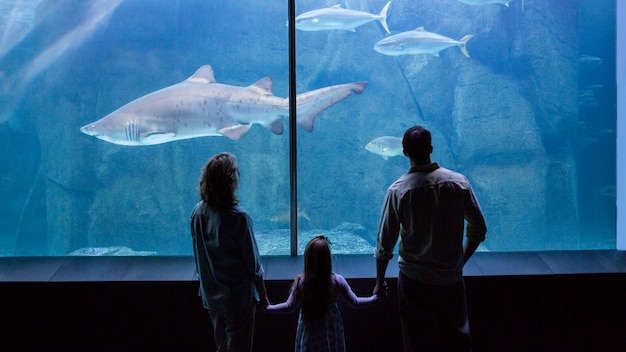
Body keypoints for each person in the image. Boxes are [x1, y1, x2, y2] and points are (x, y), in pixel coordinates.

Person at [373, 126, 487, 352]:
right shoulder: (458, 183)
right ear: (431, 149)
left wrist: (379, 281)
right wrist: (459, 261)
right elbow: (479, 228)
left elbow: (385, 243)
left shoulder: (398, 190)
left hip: (413, 280)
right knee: (457, 339)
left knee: (417, 341)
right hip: (450, 278)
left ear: (404, 152)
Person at [190, 152, 269, 352]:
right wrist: (263, 294)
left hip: (211, 296)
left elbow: (198, 255)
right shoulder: (239, 217)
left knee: (222, 346)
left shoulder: (197, 212)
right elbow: (253, 265)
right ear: (230, 181)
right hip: (237, 299)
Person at [264, 235, 381, 352]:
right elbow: (355, 302)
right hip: (330, 331)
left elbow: (288, 306)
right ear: (328, 259)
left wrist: (268, 308)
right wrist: (376, 298)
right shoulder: (337, 281)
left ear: (308, 259)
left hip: (309, 331)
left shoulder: (302, 282)